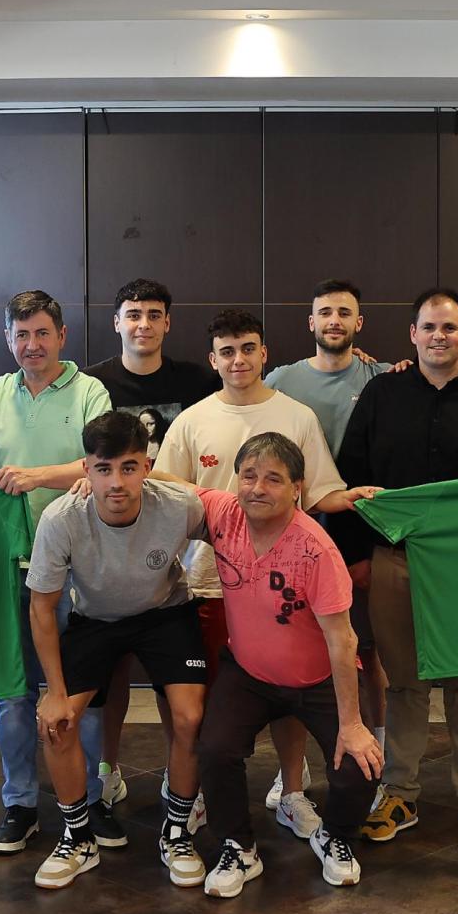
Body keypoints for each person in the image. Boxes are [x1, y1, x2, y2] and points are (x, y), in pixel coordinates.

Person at [155, 308, 357, 843]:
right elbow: (166, 491)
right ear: (213, 359)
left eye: (248, 348)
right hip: (206, 582)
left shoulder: (297, 415)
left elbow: (319, 492)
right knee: (206, 704)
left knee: (285, 685)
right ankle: (196, 794)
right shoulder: (193, 419)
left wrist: (358, 500)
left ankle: (291, 792)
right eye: (227, 350)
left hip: (283, 586)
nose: (238, 359)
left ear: (264, 353)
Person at [341, 288, 458, 846]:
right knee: (404, 682)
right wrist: (356, 557)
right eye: (429, 327)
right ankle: (399, 793)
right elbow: (353, 477)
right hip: (394, 560)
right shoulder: (383, 393)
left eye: (449, 327)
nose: (439, 336)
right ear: (413, 336)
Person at [195, 432, 384, 897]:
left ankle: (334, 836)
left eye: (273, 479)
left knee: (359, 766)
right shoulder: (222, 514)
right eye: (249, 475)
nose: (258, 488)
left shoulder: (316, 549)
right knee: (215, 750)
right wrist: (86, 481)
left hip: (318, 678)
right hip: (249, 673)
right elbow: (153, 478)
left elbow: (343, 641)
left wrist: (354, 724)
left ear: (297, 487)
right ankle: (238, 847)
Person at [28, 412, 209, 889]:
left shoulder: (179, 505)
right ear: (85, 470)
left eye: (129, 467)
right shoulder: (61, 519)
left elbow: (237, 527)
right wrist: (55, 691)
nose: (116, 482)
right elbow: (42, 609)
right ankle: (77, 838)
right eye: (104, 469)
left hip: (165, 613)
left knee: (190, 716)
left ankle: (176, 831)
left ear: (147, 467)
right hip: (96, 619)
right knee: (57, 721)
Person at [0, 290, 120, 854]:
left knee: (80, 692)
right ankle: (19, 804)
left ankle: (89, 800)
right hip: (7, 565)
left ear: (61, 335)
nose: (31, 346)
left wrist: (38, 476)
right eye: (20, 335)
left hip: (78, 566)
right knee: (14, 694)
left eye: (41, 333)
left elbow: (98, 463)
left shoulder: (91, 391)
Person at [83, 279, 219, 804]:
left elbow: (245, 385)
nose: (143, 323)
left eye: (153, 314)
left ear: (167, 322)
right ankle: (106, 771)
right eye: (132, 314)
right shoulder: (93, 385)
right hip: (110, 545)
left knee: (174, 680)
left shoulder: (196, 380)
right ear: (117, 321)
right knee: (111, 675)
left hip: (178, 541)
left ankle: (179, 774)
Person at [265, 279, 392, 749]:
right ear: (311, 322)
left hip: (357, 528)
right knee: (296, 645)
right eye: (325, 312)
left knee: (367, 648)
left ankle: (375, 741)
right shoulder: (280, 380)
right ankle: (292, 772)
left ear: (358, 323)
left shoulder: (382, 376)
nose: (334, 320)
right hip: (296, 528)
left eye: (344, 312)